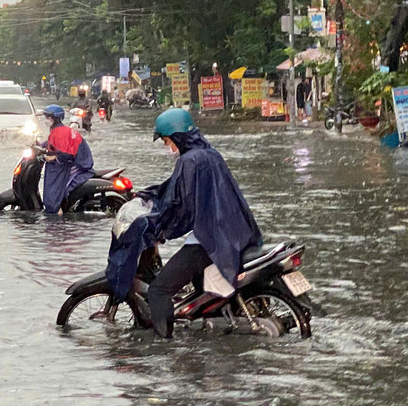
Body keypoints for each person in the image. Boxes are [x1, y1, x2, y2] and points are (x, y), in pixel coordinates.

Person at [106, 107, 262, 339]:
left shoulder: (189, 161)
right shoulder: (209, 154)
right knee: (195, 288)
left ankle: (164, 347)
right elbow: (175, 190)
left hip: (209, 239)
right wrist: (151, 195)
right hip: (233, 232)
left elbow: (183, 206)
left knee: (159, 290)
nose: (167, 146)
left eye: (167, 141)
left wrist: (160, 228)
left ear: (177, 137)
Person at [40, 103, 94, 213]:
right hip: (70, 162)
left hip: (79, 165)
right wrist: (38, 146)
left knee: (56, 193)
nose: (46, 120)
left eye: (48, 117)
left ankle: (58, 213)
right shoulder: (57, 130)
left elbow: (66, 154)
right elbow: (50, 144)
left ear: (55, 118)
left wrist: (54, 157)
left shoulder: (61, 132)